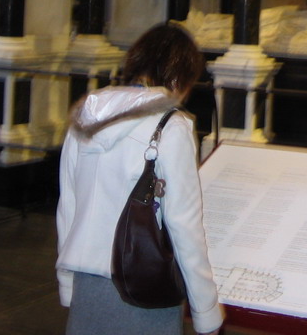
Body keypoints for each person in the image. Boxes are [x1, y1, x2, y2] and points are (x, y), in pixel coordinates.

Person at [56, 23, 224, 335]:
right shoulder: (171, 126)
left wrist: (67, 282)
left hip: (85, 280)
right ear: (179, 77)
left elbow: (68, 205)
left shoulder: (87, 115)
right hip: (143, 282)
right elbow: (184, 225)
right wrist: (206, 311)